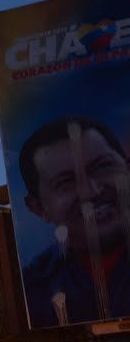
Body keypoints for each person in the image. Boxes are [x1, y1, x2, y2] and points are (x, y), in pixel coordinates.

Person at [19, 116, 130, 327]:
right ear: (39, 208)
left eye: (102, 167)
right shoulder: (33, 290)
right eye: (66, 182)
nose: (92, 191)